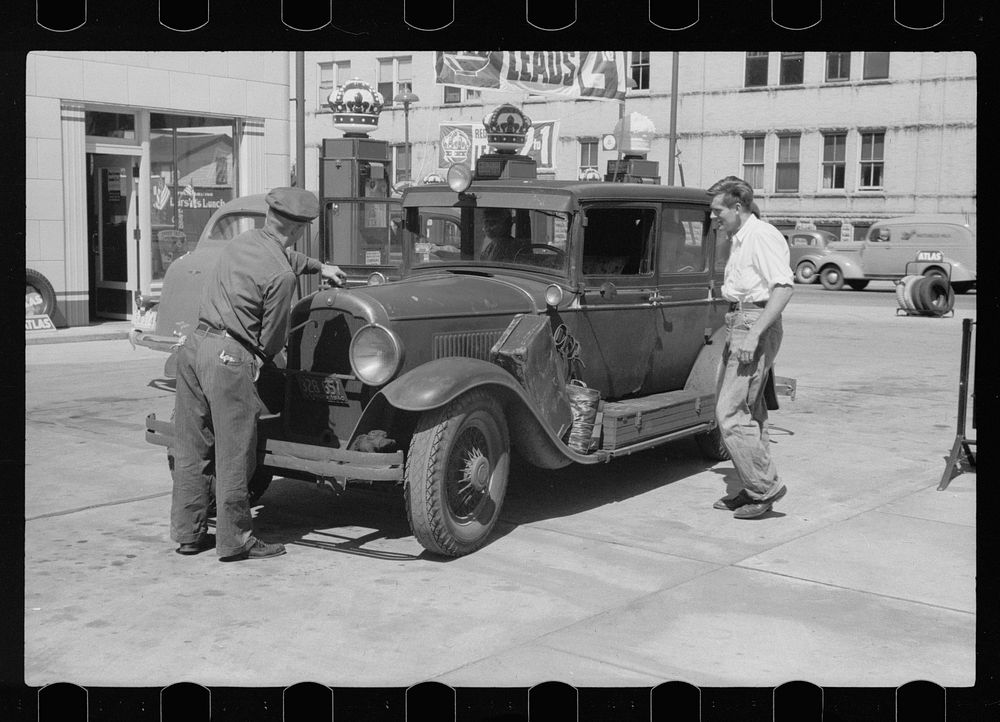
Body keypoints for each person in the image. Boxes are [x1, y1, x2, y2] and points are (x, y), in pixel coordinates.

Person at [170, 187, 347, 561]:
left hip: (192, 347)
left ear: (270, 218)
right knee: (235, 453)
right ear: (300, 229)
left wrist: (319, 266)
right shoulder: (282, 276)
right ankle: (235, 541)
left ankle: (189, 534)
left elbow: (281, 253)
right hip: (228, 356)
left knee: (193, 447)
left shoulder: (243, 240)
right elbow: (270, 340)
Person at [708, 177, 794, 519]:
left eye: (718, 210)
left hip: (753, 322)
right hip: (741, 321)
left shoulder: (761, 236)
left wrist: (755, 333)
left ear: (738, 207)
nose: (714, 217)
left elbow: (784, 288)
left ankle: (764, 488)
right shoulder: (741, 238)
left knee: (729, 413)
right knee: (749, 411)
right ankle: (753, 484)